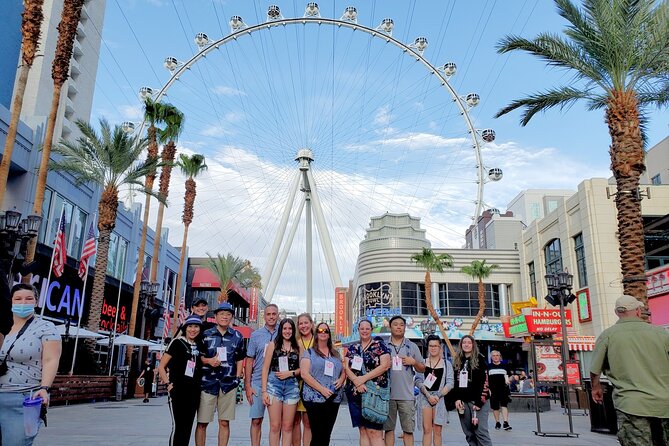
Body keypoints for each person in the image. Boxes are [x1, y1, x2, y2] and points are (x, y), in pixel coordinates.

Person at [590, 294, 669, 446]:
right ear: (638, 311)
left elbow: (595, 369)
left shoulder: (608, 335)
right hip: (664, 403)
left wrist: (595, 387)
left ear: (617, 313)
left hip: (631, 405)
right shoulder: (661, 333)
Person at [0, 284, 62, 445]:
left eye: (29, 299)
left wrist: (45, 388)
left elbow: (51, 359)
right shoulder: (2, 326)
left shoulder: (46, 327)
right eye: (18, 299)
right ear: (10, 301)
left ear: (36, 302)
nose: (23, 303)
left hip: (24, 399)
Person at [196, 302, 246, 446]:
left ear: (231, 317)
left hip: (228, 384)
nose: (225, 317)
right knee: (202, 423)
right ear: (216, 316)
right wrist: (209, 361)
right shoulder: (205, 334)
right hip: (207, 383)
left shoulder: (238, 336)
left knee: (224, 422)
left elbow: (240, 359)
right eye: (222, 314)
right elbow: (198, 356)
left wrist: (237, 378)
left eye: (228, 314)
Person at [158, 315, 205, 446]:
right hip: (178, 391)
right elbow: (161, 366)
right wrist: (168, 384)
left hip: (194, 392)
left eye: (196, 327)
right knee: (178, 426)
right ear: (185, 328)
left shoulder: (199, 345)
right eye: (190, 326)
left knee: (188, 427)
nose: (193, 330)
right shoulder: (177, 342)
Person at [344, 319, 391, 446]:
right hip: (355, 393)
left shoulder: (379, 346)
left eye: (367, 328)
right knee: (363, 431)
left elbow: (385, 365)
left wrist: (362, 379)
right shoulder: (352, 347)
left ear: (371, 330)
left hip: (374, 394)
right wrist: (357, 382)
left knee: (374, 432)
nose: (364, 331)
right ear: (358, 330)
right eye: (362, 328)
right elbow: (346, 367)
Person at [301, 322, 346, 445]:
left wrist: (342, 379)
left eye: (326, 331)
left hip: (333, 398)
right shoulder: (309, 353)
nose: (323, 333)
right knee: (317, 434)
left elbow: (344, 370)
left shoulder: (336, 353)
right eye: (320, 330)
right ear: (316, 334)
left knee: (326, 434)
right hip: (315, 398)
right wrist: (322, 389)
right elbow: (304, 374)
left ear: (329, 334)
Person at [384, 315, 425, 446]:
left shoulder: (412, 346)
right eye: (395, 324)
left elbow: (422, 369)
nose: (398, 327)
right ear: (390, 327)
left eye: (401, 324)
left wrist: (413, 362)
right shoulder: (383, 346)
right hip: (387, 395)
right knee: (388, 430)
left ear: (405, 328)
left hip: (407, 395)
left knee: (408, 431)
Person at [262, 318, 301, 446]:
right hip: (274, 385)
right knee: (275, 426)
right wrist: (264, 391)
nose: (287, 331)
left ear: (293, 330)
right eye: (285, 328)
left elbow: (304, 369)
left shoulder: (298, 346)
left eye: (290, 328)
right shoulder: (273, 345)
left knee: (287, 426)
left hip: (292, 387)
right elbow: (265, 368)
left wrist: (290, 373)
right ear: (281, 330)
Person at [246, 304, 279, 446]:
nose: (271, 316)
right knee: (256, 420)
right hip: (258, 383)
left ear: (278, 315)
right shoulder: (255, 335)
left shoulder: (284, 333)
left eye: (274, 314)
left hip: (278, 382)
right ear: (264, 316)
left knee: (277, 424)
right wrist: (248, 385)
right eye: (268, 314)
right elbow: (249, 361)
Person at [451, 335, 492, 446]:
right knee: (469, 434)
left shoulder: (480, 359)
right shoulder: (458, 360)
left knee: (481, 432)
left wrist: (480, 401)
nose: (466, 344)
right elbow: (456, 382)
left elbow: (485, 382)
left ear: (473, 345)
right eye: (464, 342)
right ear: (461, 345)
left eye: (469, 342)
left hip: (478, 402)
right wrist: (457, 398)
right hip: (464, 403)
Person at [416, 335, 454, 446]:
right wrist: (428, 395)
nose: (433, 348)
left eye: (436, 346)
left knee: (437, 431)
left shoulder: (447, 364)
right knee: (427, 430)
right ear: (427, 347)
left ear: (440, 347)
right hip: (424, 398)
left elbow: (450, 382)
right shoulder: (422, 362)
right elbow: (417, 380)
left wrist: (438, 396)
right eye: (431, 345)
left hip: (439, 399)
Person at [293, 313, 314, 446]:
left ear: (311, 324)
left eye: (306, 323)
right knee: (294, 421)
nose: (303, 326)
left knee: (308, 422)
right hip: (295, 385)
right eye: (300, 323)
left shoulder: (318, 341)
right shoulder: (294, 342)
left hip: (312, 387)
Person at [488, 351, 511, 431]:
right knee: (495, 407)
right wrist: (488, 389)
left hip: (503, 389)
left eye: (497, 355)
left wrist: (508, 380)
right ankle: (497, 422)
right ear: (491, 357)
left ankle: (506, 422)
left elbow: (509, 376)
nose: (495, 357)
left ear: (500, 356)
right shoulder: (489, 366)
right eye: (493, 356)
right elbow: (486, 379)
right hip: (493, 390)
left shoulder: (505, 366)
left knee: (504, 405)